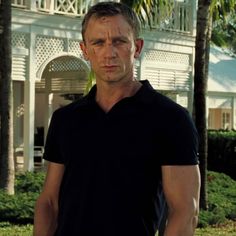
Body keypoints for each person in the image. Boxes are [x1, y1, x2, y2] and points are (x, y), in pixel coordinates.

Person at [33, 2, 201, 236]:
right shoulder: (65, 119)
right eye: (98, 42)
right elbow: (49, 202)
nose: (109, 53)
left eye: (119, 41)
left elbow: (185, 211)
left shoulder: (171, 119)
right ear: (85, 49)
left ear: (137, 47)